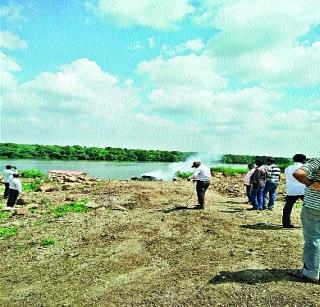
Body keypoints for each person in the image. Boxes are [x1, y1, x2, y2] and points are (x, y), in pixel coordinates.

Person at [293, 158, 320, 283]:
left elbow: (298, 174)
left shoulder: (317, 161)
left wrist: (311, 183)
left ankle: (311, 273)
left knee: (313, 239)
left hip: (314, 208)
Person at [282, 154, 307, 228]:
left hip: (291, 190)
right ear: (303, 160)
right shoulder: (305, 168)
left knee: (288, 207)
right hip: (304, 190)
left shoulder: (288, 168)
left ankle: (286, 223)